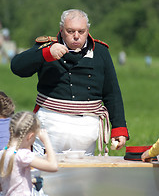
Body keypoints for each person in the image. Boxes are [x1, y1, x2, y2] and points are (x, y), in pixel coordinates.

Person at [11, 9, 129, 155]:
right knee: (45, 175)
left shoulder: (100, 52)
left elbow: (112, 92)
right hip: (50, 126)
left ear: (88, 30)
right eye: (70, 31)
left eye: (81, 31)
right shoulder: (47, 46)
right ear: (61, 30)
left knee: (84, 177)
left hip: (87, 129)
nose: (76, 36)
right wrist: (46, 53)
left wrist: (119, 128)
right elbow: (17, 67)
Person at [0, 111, 58, 196]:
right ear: (30, 136)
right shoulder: (22, 155)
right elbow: (53, 166)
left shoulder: (3, 153)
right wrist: (46, 141)